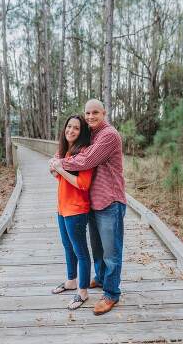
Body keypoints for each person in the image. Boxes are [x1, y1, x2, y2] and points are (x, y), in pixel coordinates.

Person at [49, 99, 126, 315]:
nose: (90, 117)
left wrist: (58, 164)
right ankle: (101, 278)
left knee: (111, 251)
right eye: (88, 113)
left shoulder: (108, 135)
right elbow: (72, 148)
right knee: (98, 249)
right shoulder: (91, 134)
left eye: (95, 113)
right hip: (92, 201)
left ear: (104, 113)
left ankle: (111, 293)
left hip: (110, 200)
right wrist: (56, 158)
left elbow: (85, 160)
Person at [50, 115, 93, 310]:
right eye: (69, 127)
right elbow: (62, 179)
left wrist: (60, 169)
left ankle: (83, 292)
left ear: (82, 132)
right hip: (62, 208)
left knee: (81, 252)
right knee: (67, 247)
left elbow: (83, 184)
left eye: (76, 128)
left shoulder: (84, 153)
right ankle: (71, 281)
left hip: (76, 210)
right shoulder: (66, 151)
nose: (71, 131)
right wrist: (56, 171)